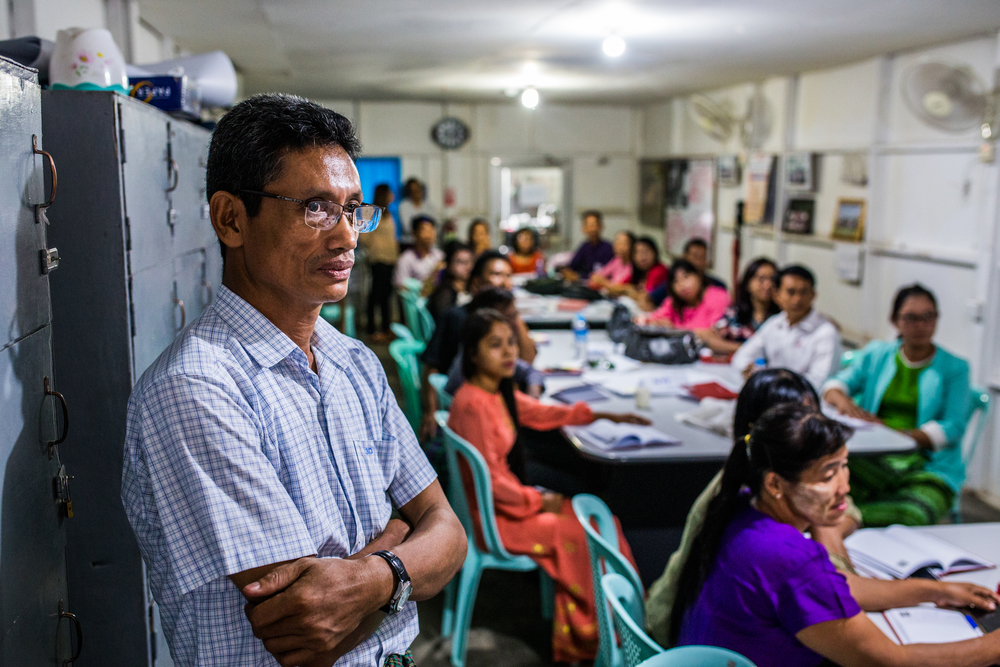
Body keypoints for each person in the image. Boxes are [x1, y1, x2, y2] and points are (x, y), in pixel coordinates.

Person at [121, 94, 467, 667]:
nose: (347, 236)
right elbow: (309, 629)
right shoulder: (198, 389)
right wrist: (401, 546)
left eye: (352, 209)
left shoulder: (353, 363)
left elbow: (448, 532)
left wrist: (373, 577)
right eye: (315, 208)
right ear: (232, 219)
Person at [670, 402, 1000, 667]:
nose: (845, 486)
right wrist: (993, 646)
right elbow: (887, 660)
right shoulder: (791, 558)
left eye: (844, 466)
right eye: (828, 475)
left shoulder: (742, 510)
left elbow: (839, 586)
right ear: (775, 484)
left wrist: (935, 590)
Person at [448, 309, 648, 663]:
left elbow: (541, 413)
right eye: (496, 345)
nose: (509, 352)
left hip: (508, 505)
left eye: (511, 343)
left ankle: (618, 626)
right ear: (473, 354)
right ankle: (592, 639)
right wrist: (538, 500)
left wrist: (602, 414)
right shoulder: (473, 405)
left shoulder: (493, 393)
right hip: (498, 519)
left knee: (604, 521)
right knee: (588, 532)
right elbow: (493, 482)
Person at [823, 284, 970, 527]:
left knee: (913, 514)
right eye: (911, 318)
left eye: (928, 317)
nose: (921, 326)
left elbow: (953, 427)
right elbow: (835, 386)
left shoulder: (954, 368)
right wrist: (847, 405)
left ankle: (848, 519)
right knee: (823, 470)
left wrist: (893, 433)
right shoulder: (878, 354)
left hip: (927, 466)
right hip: (874, 457)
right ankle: (860, 513)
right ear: (895, 320)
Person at [420, 250, 536, 439]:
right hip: (469, 415)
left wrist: (513, 316)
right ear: (476, 283)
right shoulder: (455, 317)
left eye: (508, 276)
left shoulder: (506, 322)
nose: (504, 282)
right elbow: (431, 368)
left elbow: (528, 360)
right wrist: (430, 412)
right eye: (497, 274)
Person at [731, 265, 839, 390]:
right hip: (772, 392)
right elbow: (742, 356)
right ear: (776, 295)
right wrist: (748, 370)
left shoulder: (826, 332)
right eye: (791, 292)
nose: (797, 299)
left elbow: (817, 382)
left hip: (802, 398)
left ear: (813, 294)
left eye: (804, 292)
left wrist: (771, 383)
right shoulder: (775, 323)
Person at [699, 258, 780, 356]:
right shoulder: (735, 314)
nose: (768, 284)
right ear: (748, 283)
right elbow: (709, 338)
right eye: (761, 279)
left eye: (772, 279)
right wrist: (743, 349)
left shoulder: (781, 317)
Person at [638, 258, 730, 329]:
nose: (682, 285)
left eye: (686, 277)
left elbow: (711, 332)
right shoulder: (673, 302)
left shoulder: (717, 296)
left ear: (698, 276)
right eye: (676, 281)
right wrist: (654, 322)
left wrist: (674, 328)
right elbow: (653, 318)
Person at [359, 183, 399, 342]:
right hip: (379, 260)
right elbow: (364, 236)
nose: (392, 195)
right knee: (376, 295)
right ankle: (372, 330)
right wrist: (376, 247)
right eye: (390, 193)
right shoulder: (371, 212)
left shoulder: (389, 213)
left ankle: (386, 329)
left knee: (385, 296)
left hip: (390, 260)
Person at [425, 241, 473, 323]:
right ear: (449, 264)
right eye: (461, 262)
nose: (468, 267)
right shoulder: (444, 293)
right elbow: (443, 322)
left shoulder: (470, 288)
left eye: (470, 261)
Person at [560, 210, 614, 281]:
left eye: (594, 225)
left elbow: (604, 274)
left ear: (600, 226)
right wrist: (566, 271)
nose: (592, 229)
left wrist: (579, 277)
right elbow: (573, 265)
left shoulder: (608, 248)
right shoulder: (584, 247)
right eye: (588, 225)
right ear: (583, 228)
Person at [393, 215, 445, 289]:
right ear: (414, 233)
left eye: (431, 230)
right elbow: (400, 286)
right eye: (425, 231)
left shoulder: (440, 256)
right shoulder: (406, 259)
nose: (429, 235)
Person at [397, 177, 436, 243]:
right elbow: (407, 227)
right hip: (409, 242)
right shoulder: (403, 206)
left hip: (426, 241)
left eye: (417, 189)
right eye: (412, 190)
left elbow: (433, 224)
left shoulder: (428, 206)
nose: (416, 192)